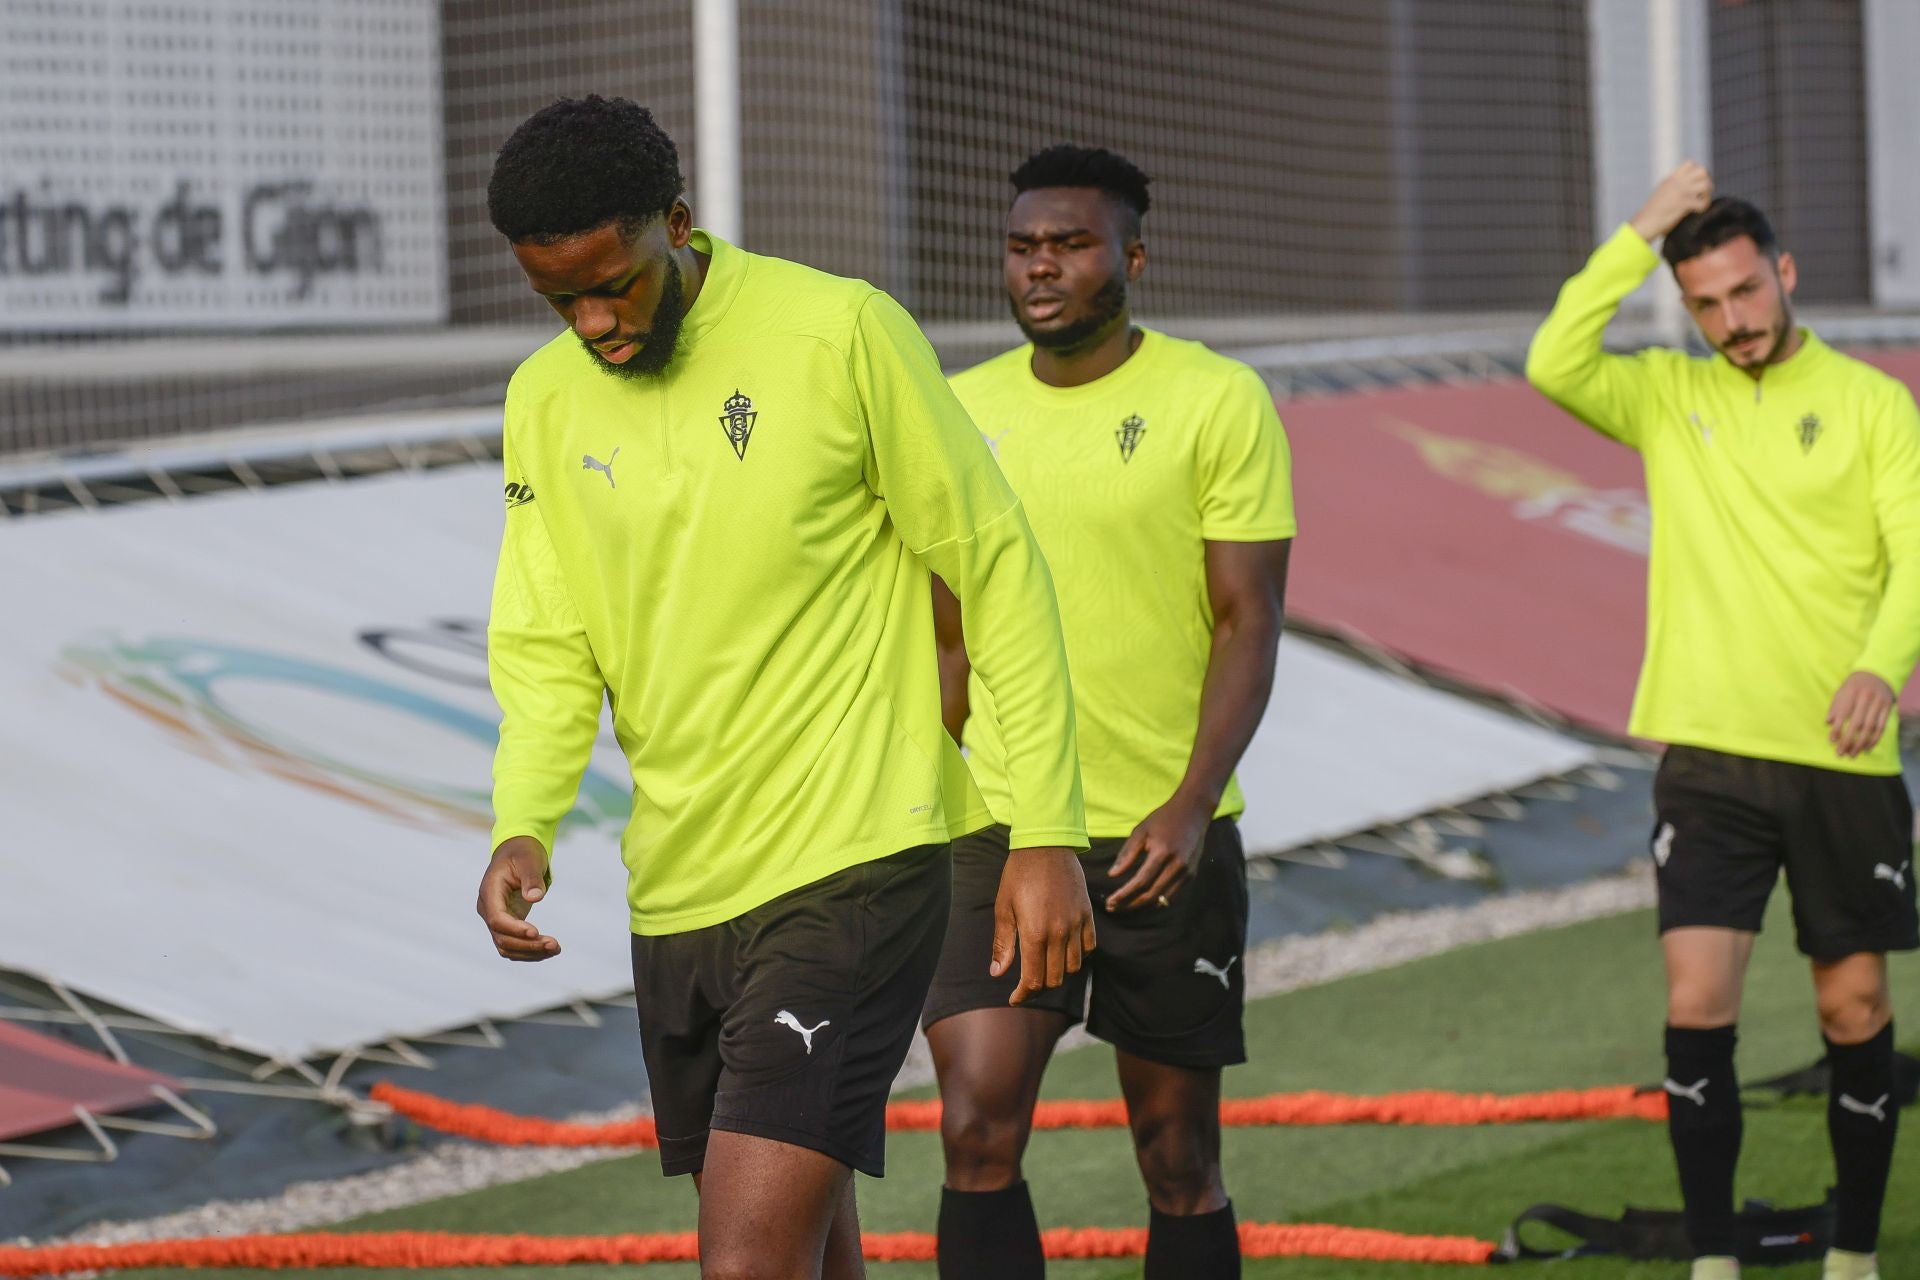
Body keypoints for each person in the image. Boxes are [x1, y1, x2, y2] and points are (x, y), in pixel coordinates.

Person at [471, 96, 1095, 1280]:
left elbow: (996, 565)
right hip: (681, 887)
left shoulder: (840, 331)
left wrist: (1047, 833)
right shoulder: (540, 401)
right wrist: (525, 816)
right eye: (561, 301)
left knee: (746, 1263)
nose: (595, 322)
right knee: (808, 1259)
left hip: (857, 857)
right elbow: (547, 639)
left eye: (618, 284)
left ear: (680, 223)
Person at [1527, 162, 1920, 1280]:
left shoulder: (1872, 403)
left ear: (1784, 275)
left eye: (1746, 293)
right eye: (1705, 303)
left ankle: (1852, 1249)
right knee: (1697, 1001)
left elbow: (1915, 554)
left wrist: (1880, 670)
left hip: (1842, 759)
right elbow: (1554, 357)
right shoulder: (1665, 393)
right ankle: (1713, 1257)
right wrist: (1638, 232)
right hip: (1707, 759)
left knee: (1854, 1007)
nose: (1732, 321)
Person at [922, 145, 1295, 1280]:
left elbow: (1247, 620)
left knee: (1176, 1152)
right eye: (1025, 245)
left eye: (1072, 244)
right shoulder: (955, 410)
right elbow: (946, 639)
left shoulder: (1218, 400)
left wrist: (1190, 804)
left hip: (1157, 838)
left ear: (1131, 255)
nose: (1042, 267)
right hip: (998, 825)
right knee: (976, 1124)